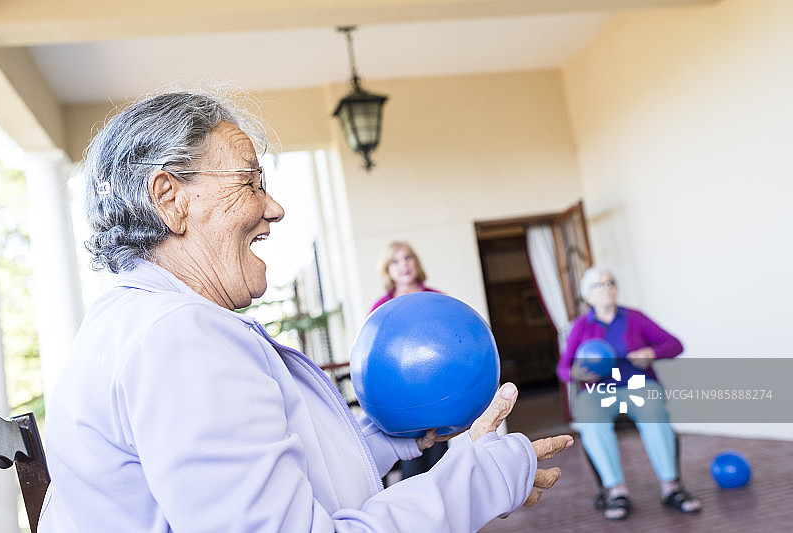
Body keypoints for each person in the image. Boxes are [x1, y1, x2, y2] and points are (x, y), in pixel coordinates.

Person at [39, 90, 574, 532]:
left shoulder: (128, 325)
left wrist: (381, 441)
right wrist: (481, 478)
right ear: (171, 198)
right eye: (250, 181)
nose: (274, 208)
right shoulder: (179, 339)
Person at [556, 266, 701, 520]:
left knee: (654, 413)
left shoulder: (635, 318)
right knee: (590, 420)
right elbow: (564, 368)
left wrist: (651, 353)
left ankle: (672, 487)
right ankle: (616, 490)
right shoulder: (580, 326)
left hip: (638, 386)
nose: (607, 288)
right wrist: (576, 374)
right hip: (598, 390)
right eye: (599, 285)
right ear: (587, 296)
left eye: (610, 283)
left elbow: (675, 344)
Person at [370, 241, 447, 479]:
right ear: (388, 269)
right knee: (412, 471)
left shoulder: (437, 299)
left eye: (408, 258)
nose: (403, 265)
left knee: (442, 467)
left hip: (436, 393)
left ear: (416, 262)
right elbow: (374, 353)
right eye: (395, 261)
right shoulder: (380, 308)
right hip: (401, 399)